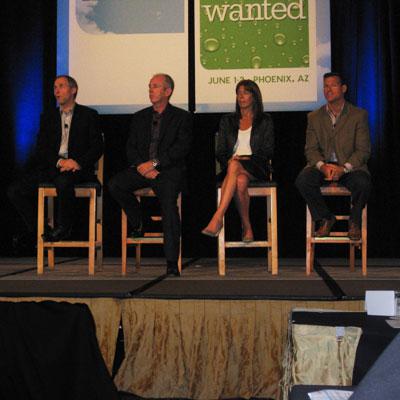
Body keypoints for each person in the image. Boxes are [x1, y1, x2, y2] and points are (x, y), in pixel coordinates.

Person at [108, 73, 192, 276]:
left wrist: (154, 164)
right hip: (142, 169)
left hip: (167, 171)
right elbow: (131, 147)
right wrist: (141, 166)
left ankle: (171, 262)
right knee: (115, 184)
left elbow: (180, 149)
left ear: (168, 91)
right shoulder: (140, 117)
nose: (150, 90)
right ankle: (141, 220)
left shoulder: (182, 117)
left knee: (169, 205)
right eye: (149, 86)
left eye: (155, 86)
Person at [7, 75, 103, 248]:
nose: (57, 91)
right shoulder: (48, 116)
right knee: (14, 190)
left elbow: (97, 147)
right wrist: (59, 162)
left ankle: (64, 227)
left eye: (61, 86)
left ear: (73, 90)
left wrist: (77, 162)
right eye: (55, 87)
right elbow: (41, 148)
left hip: (77, 169)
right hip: (53, 167)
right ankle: (40, 228)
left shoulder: (89, 115)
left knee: (63, 182)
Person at [295, 72, 372, 240]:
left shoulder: (358, 115)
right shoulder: (314, 117)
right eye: (325, 86)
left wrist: (343, 168)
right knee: (303, 180)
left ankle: (354, 221)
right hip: (324, 165)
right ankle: (325, 217)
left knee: (363, 182)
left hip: (349, 166)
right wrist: (322, 166)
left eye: (333, 85)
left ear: (343, 88)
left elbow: (363, 150)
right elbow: (310, 149)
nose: (328, 90)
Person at [201, 79, 274, 241]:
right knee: (240, 181)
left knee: (235, 165)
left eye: (245, 93)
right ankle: (247, 227)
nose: (241, 96)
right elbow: (220, 151)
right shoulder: (227, 121)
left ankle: (218, 217)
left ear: (254, 96)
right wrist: (229, 160)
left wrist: (246, 158)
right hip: (232, 168)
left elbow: (268, 151)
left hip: (257, 166)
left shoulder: (265, 120)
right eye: (238, 93)